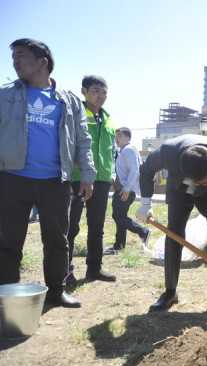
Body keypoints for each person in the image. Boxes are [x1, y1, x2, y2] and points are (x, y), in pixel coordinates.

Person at [0, 38, 95, 307]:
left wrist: (87, 174)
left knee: (57, 240)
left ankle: (56, 291)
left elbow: (83, 139)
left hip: (55, 181)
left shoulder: (69, 101)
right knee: (8, 240)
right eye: (13, 58)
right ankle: (6, 296)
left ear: (42, 62)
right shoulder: (5, 95)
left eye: (21, 56)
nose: (15, 62)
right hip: (12, 178)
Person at [137, 134, 207, 314]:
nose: (203, 183)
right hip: (179, 190)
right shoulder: (168, 152)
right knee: (174, 235)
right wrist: (145, 204)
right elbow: (146, 170)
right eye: (200, 182)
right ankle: (170, 292)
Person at [66, 75, 116, 286]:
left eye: (104, 92)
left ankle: (94, 269)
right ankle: (64, 271)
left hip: (102, 179)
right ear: (84, 91)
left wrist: (112, 175)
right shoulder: (76, 115)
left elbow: (111, 150)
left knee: (97, 226)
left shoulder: (107, 118)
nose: (100, 95)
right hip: (78, 178)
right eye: (95, 91)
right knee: (70, 226)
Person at [105, 127, 149, 254]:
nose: (116, 138)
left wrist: (127, 189)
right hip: (123, 189)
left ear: (128, 137)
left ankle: (143, 232)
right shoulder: (123, 151)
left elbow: (134, 170)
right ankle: (119, 245)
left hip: (126, 190)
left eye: (119, 136)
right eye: (116, 136)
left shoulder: (128, 150)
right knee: (120, 216)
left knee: (118, 216)